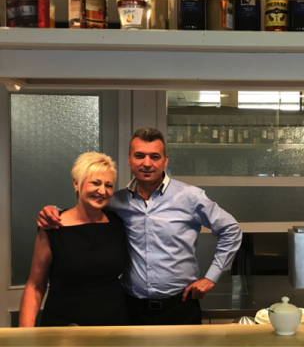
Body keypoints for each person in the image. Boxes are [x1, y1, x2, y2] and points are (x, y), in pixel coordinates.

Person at [37, 128, 242, 326]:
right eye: (139, 156)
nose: (147, 163)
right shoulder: (116, 201)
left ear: (165, 161)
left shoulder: (190, 197)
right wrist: (55, 211)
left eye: (154, 157)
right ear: (129, 159)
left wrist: (211, 278)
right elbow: (86, 208)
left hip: (180, 307)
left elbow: (231, 230)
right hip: (133, 310)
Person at [20, 153, 129, 327]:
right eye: (95, 183)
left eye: (108, 185)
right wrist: (25, 336)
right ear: (76, 183)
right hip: (64, 328)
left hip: (114, 326)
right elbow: (35, 286)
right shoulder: (52, 226)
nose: (102, 190)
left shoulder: (118, 223)